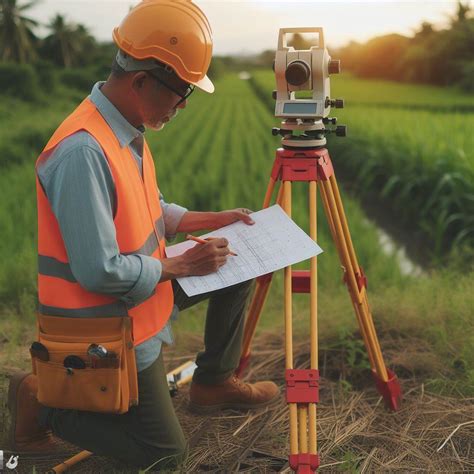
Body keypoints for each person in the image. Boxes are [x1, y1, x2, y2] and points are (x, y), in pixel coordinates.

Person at [7, 0, 278, 469]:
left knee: (237, 264)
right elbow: (99, 271)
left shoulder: (126, 130)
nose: (183, 106)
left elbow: (149, 207)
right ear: (141, 81)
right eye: (181, 93)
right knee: (163, 457)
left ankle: (213, 382)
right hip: (109, 321)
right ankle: (43, 401)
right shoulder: (83, 152)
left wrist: (208, 219)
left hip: (145, 295)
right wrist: (183, 265)